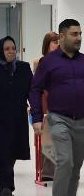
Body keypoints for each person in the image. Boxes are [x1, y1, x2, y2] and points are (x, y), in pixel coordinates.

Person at [30, 19, 84, 196]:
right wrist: (36, 117)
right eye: (74, 34)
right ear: (62, 37)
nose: (78, 38)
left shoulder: (83, 61)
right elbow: (35, 89)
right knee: (65, 161)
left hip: (81, 120)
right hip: (59, 118)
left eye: (80, 34)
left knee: (76, 166)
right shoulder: (49, 62)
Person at [0, 36, 32, 196]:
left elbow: (31, 90)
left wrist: (36, 111)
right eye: (7, 49)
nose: (11, 51)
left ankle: (2, 186)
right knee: (1, 153)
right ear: (0, 51)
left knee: (12, 152)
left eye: (13, 48)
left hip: (18, 117)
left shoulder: (23, 68)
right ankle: (7, 187)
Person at [32, 31, 59, 181]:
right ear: (47, 44)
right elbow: (36, 86)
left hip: (59, 100)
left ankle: (56, 170)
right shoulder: (40, 62)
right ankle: (46, 171)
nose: (57, 45)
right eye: (54, 42)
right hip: (44, 100)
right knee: (44, 137)